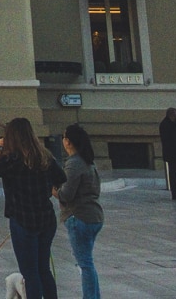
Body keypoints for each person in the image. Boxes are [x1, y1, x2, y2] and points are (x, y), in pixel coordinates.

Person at [0, 117, 66, 299]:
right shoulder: (45, 156)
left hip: (22, 219)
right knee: (43, 269)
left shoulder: (12, 159)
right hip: (46, 218)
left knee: (30, 273)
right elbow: (61, 178)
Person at [57, 123, 104, 299]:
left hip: (79, 217)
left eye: (63, 137)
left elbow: (66, 194)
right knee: (87, 262)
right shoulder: (87, 161)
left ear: (68, 141)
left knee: (85, 264)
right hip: (94, 216)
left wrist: (53, 189)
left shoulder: (74, 163)